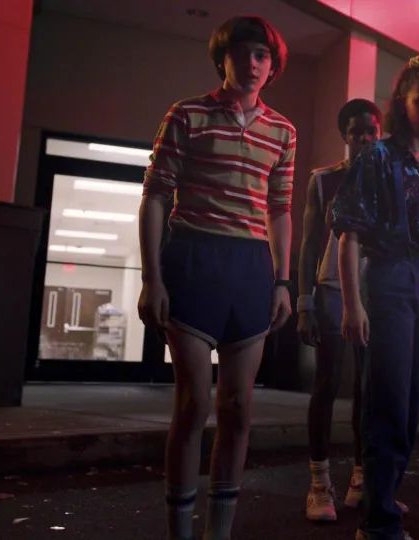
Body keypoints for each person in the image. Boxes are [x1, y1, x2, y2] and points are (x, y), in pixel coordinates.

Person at [138, 16, 294, 540]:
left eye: (261, 55)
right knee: (193, 404)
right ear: (222, 59)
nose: (251, 63)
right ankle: (179, 532)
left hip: (250, 268)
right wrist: (152, 277)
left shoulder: (283, 131)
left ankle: (218, 532)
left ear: (272, 66)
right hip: (193, 259)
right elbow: (156, 195)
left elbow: (279, 209)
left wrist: (282, 281)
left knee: (238, 407)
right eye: (241, 53)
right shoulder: (187, 114)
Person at [332, 54, 419, 540]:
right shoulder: (378, 158)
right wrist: (352, 303)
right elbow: (349, 234)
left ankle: (382, 492)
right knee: (385, 398)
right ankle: (377, 520)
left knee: (411, 402)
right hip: (389, 276)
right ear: (403, 103)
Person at [296, 99, 386, 521]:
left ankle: (361, 478)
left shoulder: (390, 178)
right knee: (328, 382)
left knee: (369, 388)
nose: (365, 138)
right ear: (344, 136)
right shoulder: (324, 179)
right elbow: (308, 244)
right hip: (331, 288)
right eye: (356, 132)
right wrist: (304, 302)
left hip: (376, 291)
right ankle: (319, 483)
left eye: (371, 131)